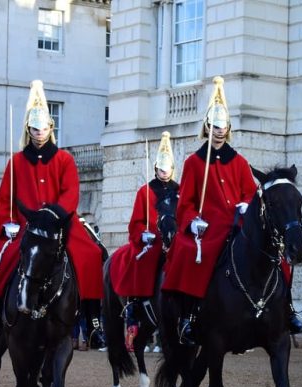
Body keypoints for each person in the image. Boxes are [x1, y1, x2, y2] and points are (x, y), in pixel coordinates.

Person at [0, 80, 105, 348]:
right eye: (35, 128)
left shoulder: (64, 159)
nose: (39, 133)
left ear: (51, 129)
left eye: (44, 128)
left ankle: (94, 323)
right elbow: (5, 200)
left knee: (90, 255)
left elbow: (70, 193)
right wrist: (7, 224)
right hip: (26, 225)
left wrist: (55, 214)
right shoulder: (17, 162)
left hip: (60, 225)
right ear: (29, 129)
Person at [161, 76, 258, 346]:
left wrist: (247, 204)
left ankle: (282, 310)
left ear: (228, 128)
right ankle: (189, 317)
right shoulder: (194, 162)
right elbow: (186, 203)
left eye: (222, 126)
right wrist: (192, 222)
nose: (218, 130)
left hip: (237, 224)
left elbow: (250, 191)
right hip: (209, 227)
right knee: (190, 254)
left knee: (271, 251)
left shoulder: (239, 161)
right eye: (214, 125)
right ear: (207, 126)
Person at [109, 131, 180, 350]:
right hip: (152, 240)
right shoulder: (145, 191)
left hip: (174, 240)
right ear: (156, 167)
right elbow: (136, 222)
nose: (164, 173)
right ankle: (135, 307)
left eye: (167, 170)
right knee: (143, 260)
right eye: (160, 169)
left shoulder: (180, 191)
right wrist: (143, 235)